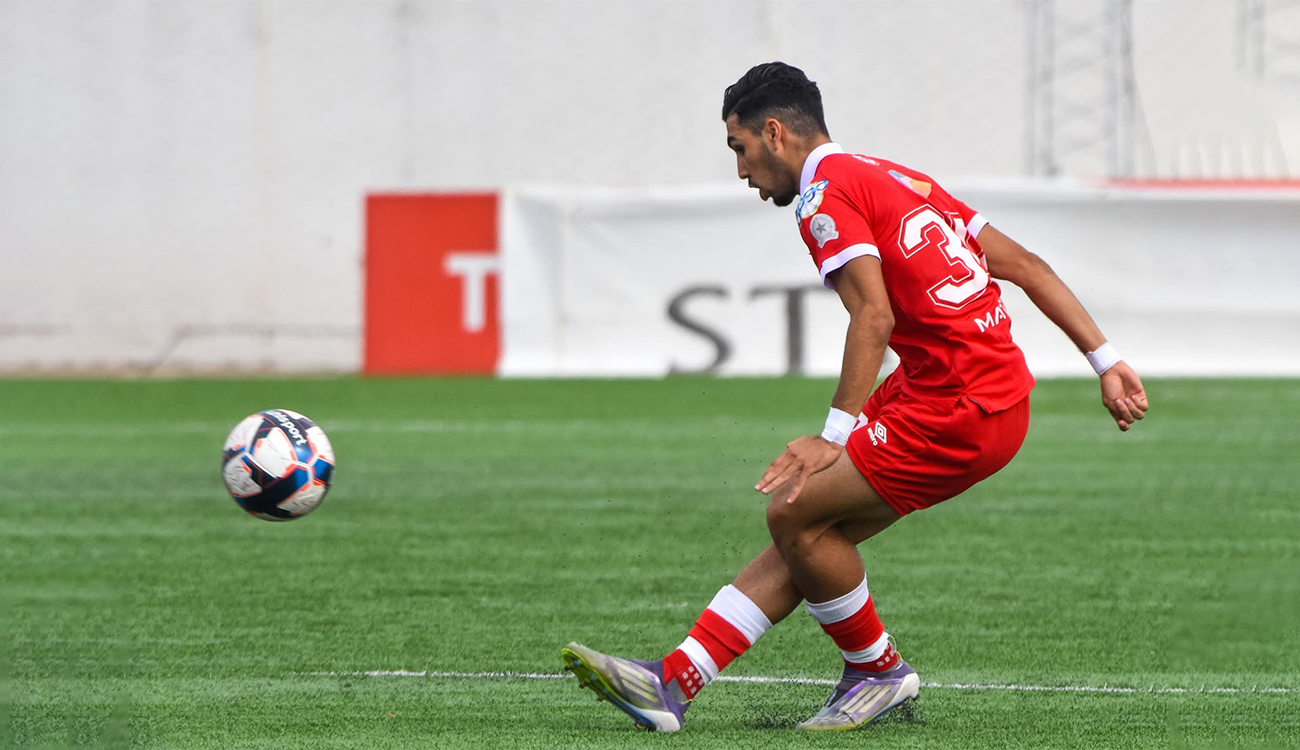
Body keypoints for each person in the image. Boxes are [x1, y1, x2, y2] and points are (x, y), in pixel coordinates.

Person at [561, 61, 1149, 733]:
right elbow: (1026, 266)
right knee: (809, 527)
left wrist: (832, 435)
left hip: (958, 406)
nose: (742, 171)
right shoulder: (892, 175)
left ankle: (878, 672)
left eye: (740, 149)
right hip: (971, 389)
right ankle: (674, 682)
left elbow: (873, 316)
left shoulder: (822, 197)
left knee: (794, 512)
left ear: (774, 133)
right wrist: (1106, 360)